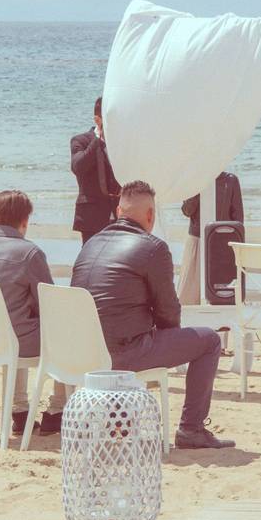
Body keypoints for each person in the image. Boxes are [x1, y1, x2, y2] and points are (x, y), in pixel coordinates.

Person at [71, 180, 235, 449]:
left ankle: (119, 421)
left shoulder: (90, 245)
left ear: (118, 210)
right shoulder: (152, 248)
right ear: (150, 216)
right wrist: (166, 335)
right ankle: (191, 429)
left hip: (82, 353)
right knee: (209, 341)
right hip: (122, 354)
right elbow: (168, 312)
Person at [0, 190, 66, 436]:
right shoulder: (29, 253)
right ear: (25, 221)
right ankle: (57, 411)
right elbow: (48, 305)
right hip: (13, 342)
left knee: (13, 319)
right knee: (62, 329)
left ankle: (19, 411)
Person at [177, 171, 244, 305]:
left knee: (221, 294)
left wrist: (235, 250)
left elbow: (238, 219)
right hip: (197, 239)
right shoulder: (195, 178)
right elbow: (187, 210)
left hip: (223, 242)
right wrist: (199, 185)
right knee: (187, 296)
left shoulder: (230, 180)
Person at [71, 96, 121, 245]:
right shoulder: (80, 141)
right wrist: (98, 140)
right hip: (91, 215)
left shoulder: (120, 142)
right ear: (98, 120)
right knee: (90, 261)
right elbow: (78, 167)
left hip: (119, 213)